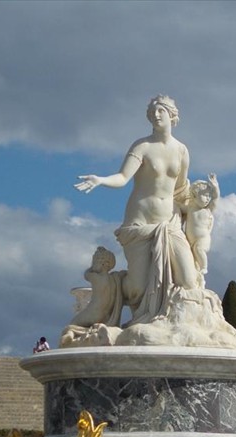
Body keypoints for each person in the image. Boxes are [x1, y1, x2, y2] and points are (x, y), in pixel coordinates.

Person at [75, 95, 199, 325]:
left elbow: (181, 190)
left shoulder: (182, 151)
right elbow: (123, 177)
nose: (156, 115)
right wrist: (100, 180)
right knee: (138, 288)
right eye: (152, 112)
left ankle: (172, 323)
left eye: (161, 110)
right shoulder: (142, 146)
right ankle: (110, 287)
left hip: (169, 223)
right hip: (140, 222)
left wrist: (201, 208)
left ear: (172, 115)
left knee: (189, 280)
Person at [183, 173, 220, 284]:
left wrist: (215, 186)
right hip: (189, 240)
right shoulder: (190, 208)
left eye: (209, 196)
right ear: (194, 195)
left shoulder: (208, 210)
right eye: (205, 196)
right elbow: (177, 207)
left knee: (199, 249)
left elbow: (216, 198)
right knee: (191, 258)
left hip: (203, 238)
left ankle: (204, 267)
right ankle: (196, 274)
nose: (208, 199)